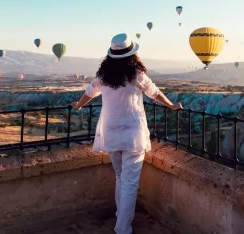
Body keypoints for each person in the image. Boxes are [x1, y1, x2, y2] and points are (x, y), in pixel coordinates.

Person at [71, 33, 182, 234]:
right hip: (133, 133)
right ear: (132, 54)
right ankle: (122, 228)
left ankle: (120, 217)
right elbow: (154, 92)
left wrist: (78, 106)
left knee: (121, 177)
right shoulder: (136, 74)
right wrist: (172, 105)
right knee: (129, 182)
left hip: (111, 132)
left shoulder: (103, 76)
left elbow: (89, 92)